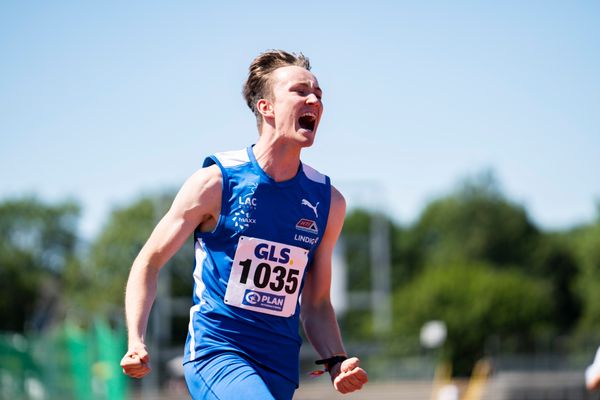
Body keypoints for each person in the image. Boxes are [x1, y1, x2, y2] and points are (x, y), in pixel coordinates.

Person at [120, 49, 368, 400]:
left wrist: (336, 361)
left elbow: (316, 304)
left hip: (280, 363)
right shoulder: (215, 183)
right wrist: (136, 339)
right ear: (266, 107)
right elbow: (149, 261)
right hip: (217, 353)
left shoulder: (329, 202)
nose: (314, 99)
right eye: (300, 91)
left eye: (319, 94)